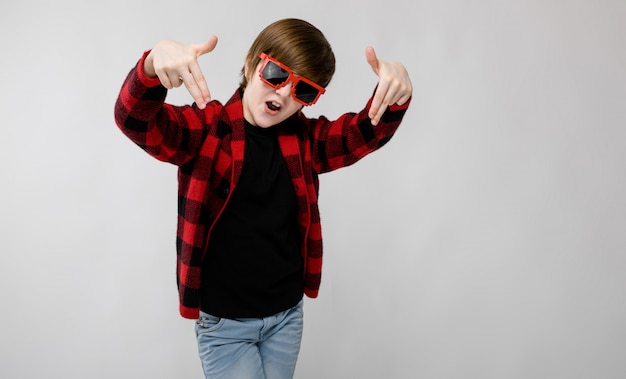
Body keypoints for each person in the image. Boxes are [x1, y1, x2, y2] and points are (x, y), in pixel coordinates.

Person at [114, 17, 412, 379]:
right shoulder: (207, 131)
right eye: (276, 73)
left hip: (286, 318)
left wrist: (397, 95)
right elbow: (134, 119)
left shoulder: (306, 142)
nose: (285, 93)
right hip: (225, 328)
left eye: (304, 91)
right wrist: (149, 67)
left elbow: (362, 134)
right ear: (252, 62)